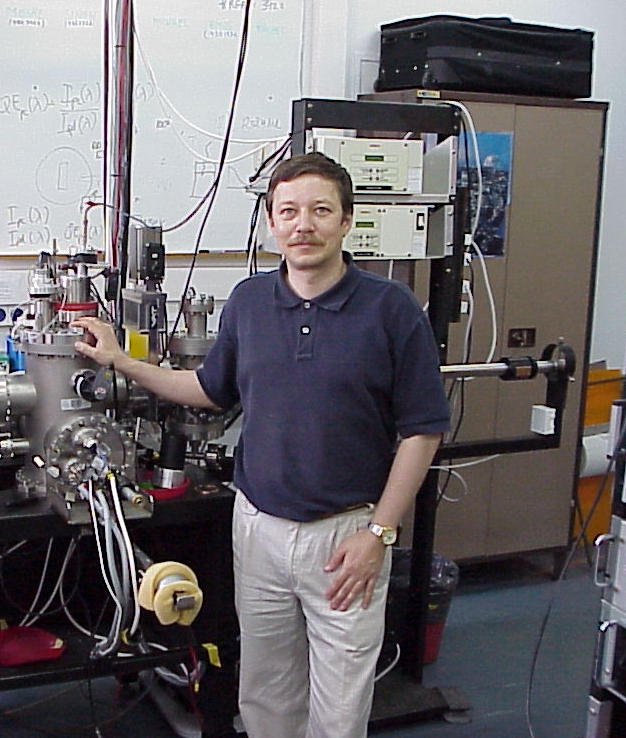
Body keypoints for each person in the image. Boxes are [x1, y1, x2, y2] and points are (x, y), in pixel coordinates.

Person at [72, 151, 451, 738]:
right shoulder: (249, 301)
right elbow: (207, 389)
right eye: (289, 212)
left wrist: (379, 533)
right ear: (272, 222)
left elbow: (422, 430)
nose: (304, 225)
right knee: (266, 695)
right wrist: (122, 361)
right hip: (258, 529)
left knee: (340, 707)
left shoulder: (390, 309)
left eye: (321, 210)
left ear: (346, 221)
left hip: (345, 537)